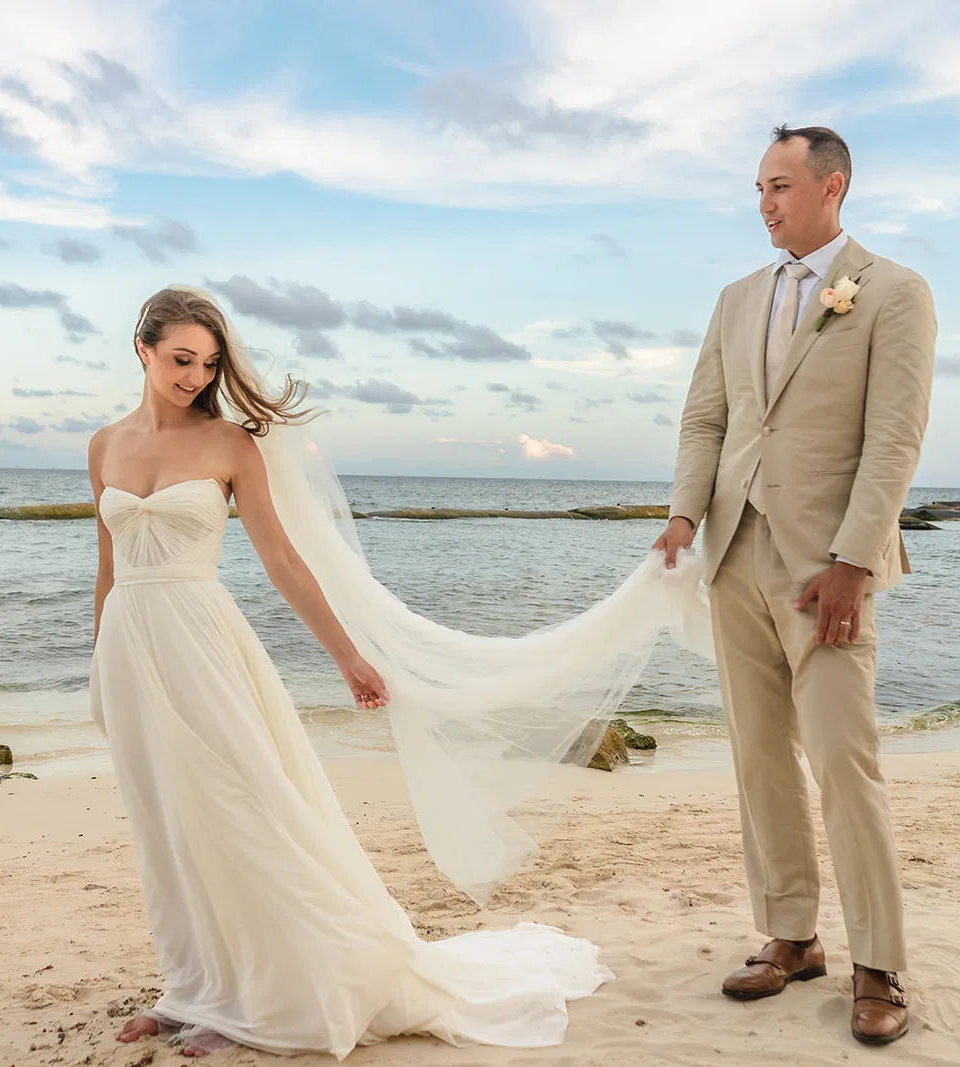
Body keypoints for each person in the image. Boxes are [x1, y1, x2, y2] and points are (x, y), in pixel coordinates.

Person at [87, 287, 636, 1059]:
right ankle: (190, 986)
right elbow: (108, 568)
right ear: (142, 349)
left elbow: (283, 562)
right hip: (130, 650)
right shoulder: (103, 445)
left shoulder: (230, 446)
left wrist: (348, 655)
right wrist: (97, 663)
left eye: (207, 364)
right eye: (181, 359)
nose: (194, 376)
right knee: (166, 824)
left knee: (244, 810)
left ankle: (266, 993)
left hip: (202, 645)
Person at [654, 125, 934, 1046]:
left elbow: (894, 437)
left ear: (832, 185)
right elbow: (707, 418)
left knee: (845, 763)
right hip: (736, 552)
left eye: (779, 185)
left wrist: (856, 559)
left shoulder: (894, 292)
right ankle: (792, 935)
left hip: (830, 569)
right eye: (759, 188)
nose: (765, 202)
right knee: (758, 755)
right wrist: (687, 516)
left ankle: (880, 962)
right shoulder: (737, 299)